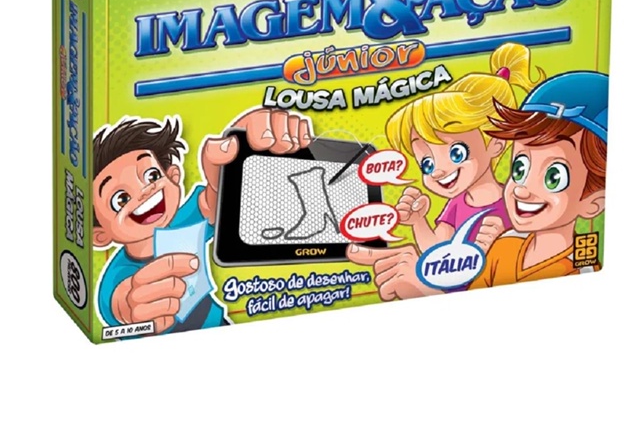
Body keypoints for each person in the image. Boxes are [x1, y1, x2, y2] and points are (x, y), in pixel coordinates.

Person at [348, 71, 607, 300]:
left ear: (594, 203)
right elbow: (449, 263)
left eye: (554, 177)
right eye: (520, 169)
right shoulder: (504, 248)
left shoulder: (579, 271)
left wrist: (422, 289)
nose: (521, 189)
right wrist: (418, 223)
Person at [93, 108, 311, 334]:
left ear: (173, 176)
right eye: (121, 199)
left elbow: (214, 200)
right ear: (99, 235)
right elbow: (122, 302)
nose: (145, 192)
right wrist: (136, 303)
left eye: (152, 176)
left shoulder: (184, 222)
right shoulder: (116, 277)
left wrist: (240, 144)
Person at [386, 42, 542, 255]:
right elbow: (437, 250)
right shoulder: (456, 204)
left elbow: (536, 251)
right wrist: (418, 221)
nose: (437, 171)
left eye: (456, 153)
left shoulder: (516, 201)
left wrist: (506, 239)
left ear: (496, 144)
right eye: (427, 164)